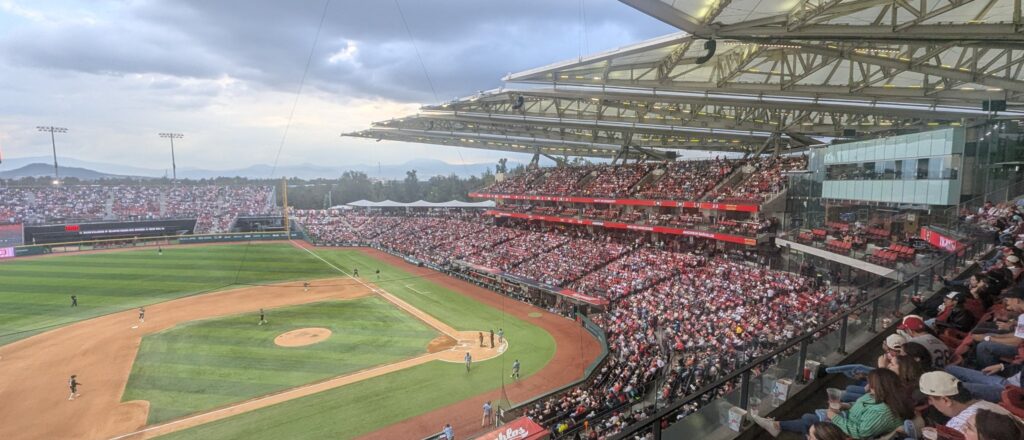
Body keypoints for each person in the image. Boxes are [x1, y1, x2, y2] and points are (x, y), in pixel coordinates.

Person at [750, 369, 910, 438]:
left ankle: (777, 426)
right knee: (808, 418)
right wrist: (845, 406)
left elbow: (859, 433)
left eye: (871, 383)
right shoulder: (881, 396)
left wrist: (834, 417)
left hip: (850, 433)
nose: (867, 386)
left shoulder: (884, 411)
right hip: (848, 418)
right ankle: (777, 426)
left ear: (880, 386)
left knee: (809, 420)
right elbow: (860, 406)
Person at [918, 370, 1011, 436]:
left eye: (930, 399)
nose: (930, 403)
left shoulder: (957, 427)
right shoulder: (987, 404)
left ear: (946, 400)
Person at [970, 288, 1024, 368]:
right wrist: (993, 336)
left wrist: (988, 338)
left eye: (1008, 300)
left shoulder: (1023, 317)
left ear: (1016, 300)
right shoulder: (1022, 316)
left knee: (983, 347)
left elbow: (1017, 342)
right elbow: (1018, 336)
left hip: (1021, 349)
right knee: (988, 335)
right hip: (1020, 345)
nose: (1007, 303)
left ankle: (991, 373)